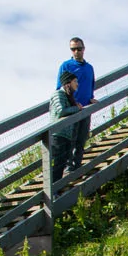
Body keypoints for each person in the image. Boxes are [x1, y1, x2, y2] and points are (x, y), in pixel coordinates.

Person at [56, 38, 96, 170]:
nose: (76, 51)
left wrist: (91, 98)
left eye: (79, 48)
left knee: (81, 138)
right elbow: (59, 87)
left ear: (83, 49)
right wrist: (68, 104)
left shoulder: (89, 68)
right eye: (73, 49)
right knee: (70, 139)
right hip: (72, 108)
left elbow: (90, 86)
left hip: (85, 108)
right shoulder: (66, 66)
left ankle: (77, 165)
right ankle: (68, 167)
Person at [49, 72, 80, 185]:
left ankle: (56, 187)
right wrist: (76, 108)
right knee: (58, 162)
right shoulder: (58, 94)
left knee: (61, 162)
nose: (77, 84)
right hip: (57, 134)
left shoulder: (68, 96)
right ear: (68, 83)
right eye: (75, 81)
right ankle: (52, 189)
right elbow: (61, 111)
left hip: (65, 134)